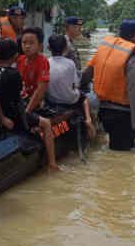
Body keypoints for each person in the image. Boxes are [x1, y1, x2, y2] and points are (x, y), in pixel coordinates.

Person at [81, 20, 135, 151]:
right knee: (125, 158)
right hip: (122, 115)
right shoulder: (132, 58)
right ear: (134, 36)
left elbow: (86, 75)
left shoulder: (103, 49)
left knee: (112, 149)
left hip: (103, 112)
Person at [17, 27, 59, 170]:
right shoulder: (20, 60)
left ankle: (52, 162)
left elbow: (41, 90)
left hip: (35, 102)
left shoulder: (42, 61)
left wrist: (27, 112)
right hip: (22, 101)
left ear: (40, 45)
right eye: (24, 42)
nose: (27, 46)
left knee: (46, 124)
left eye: (31, 43)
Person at [46, 34, 96, 139]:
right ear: (65, 48)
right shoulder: (70, 63)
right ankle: (88, 119)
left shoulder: (46, 62)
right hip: (69, 100)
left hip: (51, 100)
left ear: (49, 48)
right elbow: (76, 84)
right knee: (84, 98)